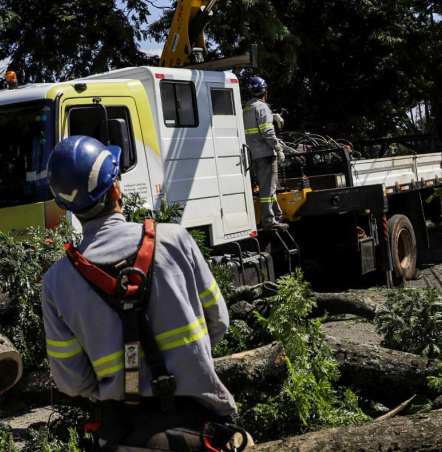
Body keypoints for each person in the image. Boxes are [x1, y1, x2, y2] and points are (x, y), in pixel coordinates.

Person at [41, 136, 246, 451]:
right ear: (116, 189)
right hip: (201, 431)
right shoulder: (175, 240)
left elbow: (72, 381)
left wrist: (124, 382)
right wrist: (184, 364)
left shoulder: (57, 282)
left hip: (127, 434)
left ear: (66, 206)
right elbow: (218, 322)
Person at [242, 76, 288, 230]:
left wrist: (271, 115)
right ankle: (269, 220)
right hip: (265, 155)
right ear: (265, 92)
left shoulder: (247, 108)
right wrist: (278, 148)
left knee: (268, 187)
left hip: (252, 155)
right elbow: (268, 132)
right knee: (267, 189)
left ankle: (276, 215)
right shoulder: (263, 108)